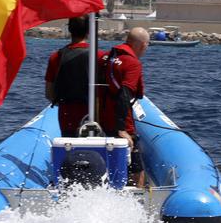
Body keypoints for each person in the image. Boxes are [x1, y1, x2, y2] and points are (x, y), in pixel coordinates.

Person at [99, 27, 150, 186]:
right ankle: (137, 194)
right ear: (143, 45)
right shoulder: (132, 63)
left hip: (102, 118)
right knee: (136, 166)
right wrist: (121, 129)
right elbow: (125, 95)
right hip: (121, 122)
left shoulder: (107, 57)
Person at [45, 16, 102, 136]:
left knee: (68, 142)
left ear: (69, 29)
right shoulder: (99, 56)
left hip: (66, 113)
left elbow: (49, 94)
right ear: (89, 31)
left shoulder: (56, 57)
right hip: (92, 113)